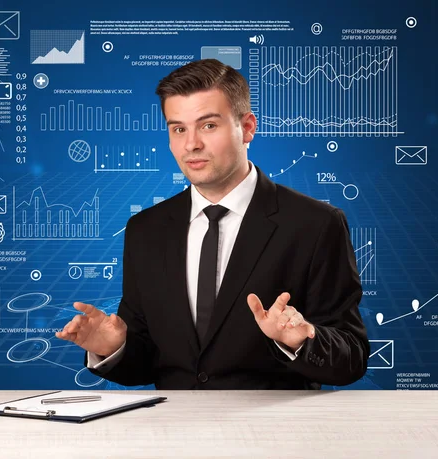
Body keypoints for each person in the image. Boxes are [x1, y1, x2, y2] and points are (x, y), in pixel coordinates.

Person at [56, 59, 370, 389]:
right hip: (172, 431)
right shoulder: (145, 230)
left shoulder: (315, 225)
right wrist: (112, 348)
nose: (191, 144)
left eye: (208, 126)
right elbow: (148, 363)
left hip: (270, 433)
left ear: (247, 127)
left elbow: (351, 358)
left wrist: (302, 339)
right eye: (178, 128)